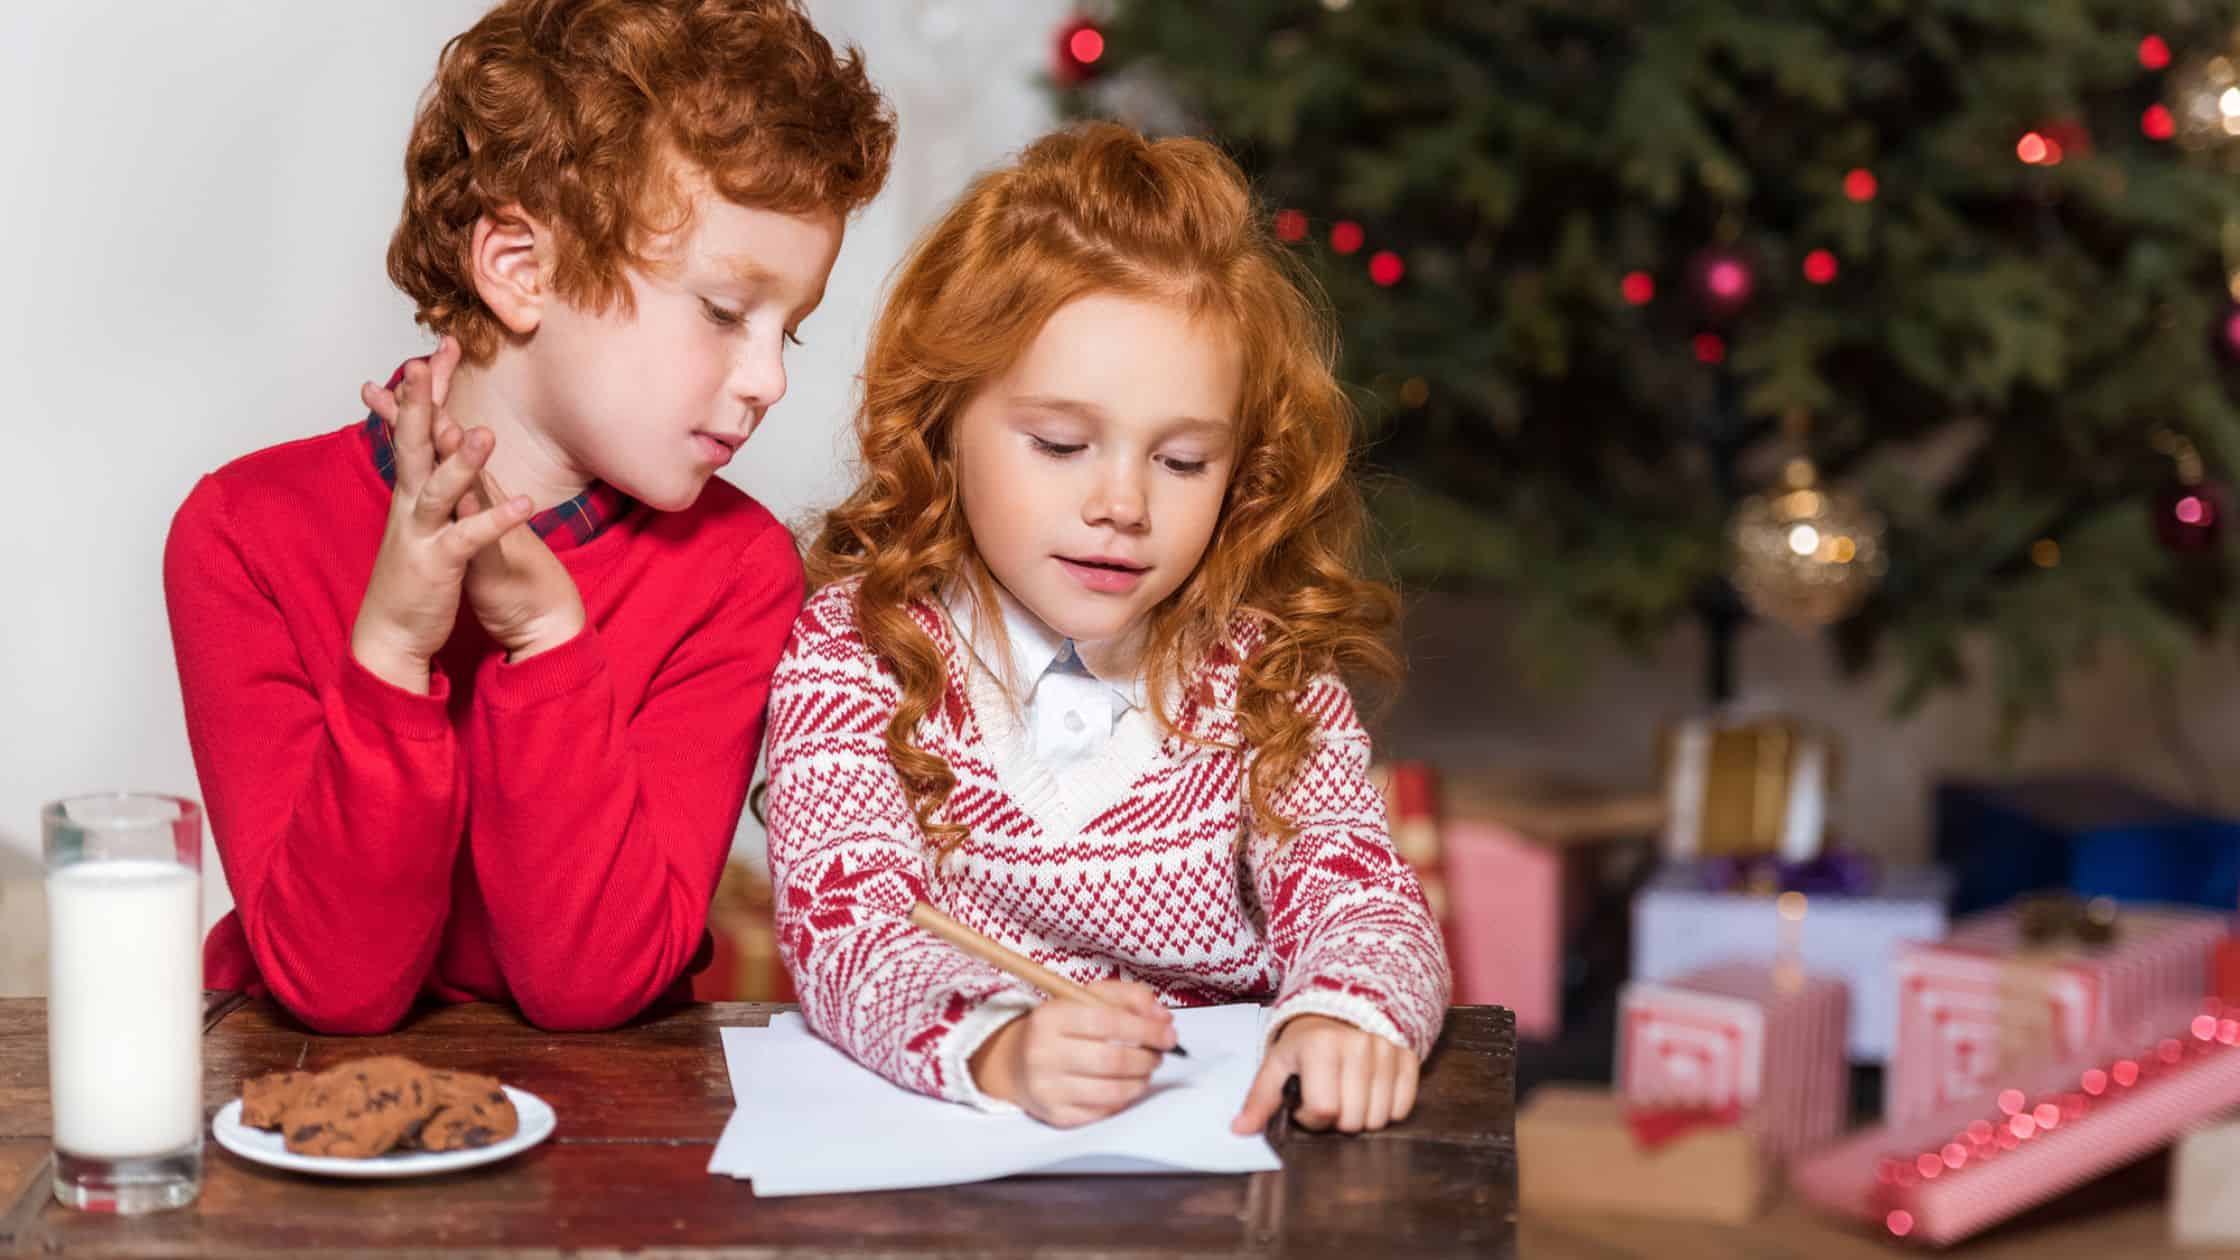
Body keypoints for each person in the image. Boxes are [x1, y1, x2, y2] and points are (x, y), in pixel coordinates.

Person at [163, 0, 893, 1034]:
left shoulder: (736, 571)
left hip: (611, 1144)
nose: (768, 379)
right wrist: (392, 648)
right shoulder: (243, 534)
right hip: (288, 1127)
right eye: (726, 313)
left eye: (793, 333)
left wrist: (547, 641)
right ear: (520, 269)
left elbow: (592, 985)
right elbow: (334, 987)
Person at [763, 123, 1451, 1134]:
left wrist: (1346, 1013)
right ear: (944, 423)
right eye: (1060, 444)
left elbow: (1361, 897)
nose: (1122, 504)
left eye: (1180, 464)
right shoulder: (853, 651)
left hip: (1220, 1161)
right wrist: (997, 1044)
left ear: (1241, 471)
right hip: (946, 1163)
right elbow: (847, 920)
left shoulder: (1263, 675)